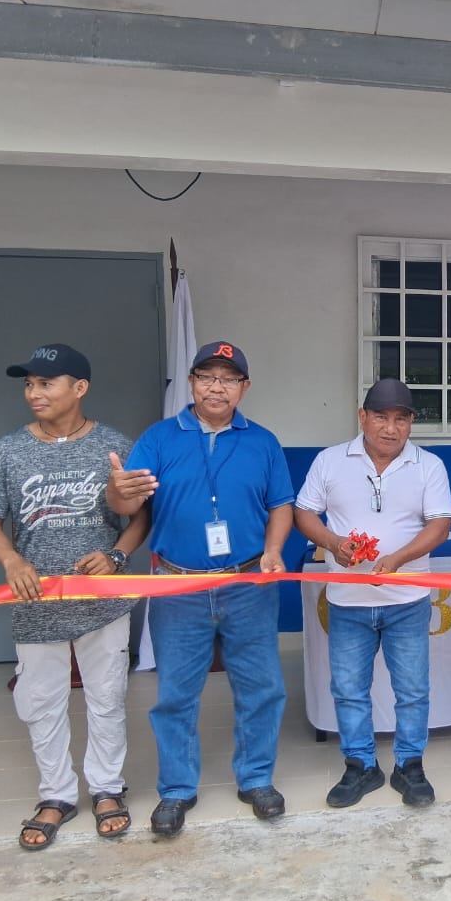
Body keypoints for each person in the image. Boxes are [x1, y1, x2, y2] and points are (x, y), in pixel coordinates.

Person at [106, 340, 295, 836]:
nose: (217, 387)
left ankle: (256, 778)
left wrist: (274, 549)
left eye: (228, 379)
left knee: (262, 688)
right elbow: (130, 505)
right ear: (191, 382)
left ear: (244, 388)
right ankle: (176, 789)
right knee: (175, 693)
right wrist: (117, 491)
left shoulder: (263, 442)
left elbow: (281, 504)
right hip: (178, 585)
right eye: (207, 376)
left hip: (249, 583)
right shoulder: (159, 438)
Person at [0, 343, 150, 851]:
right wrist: (12, 561)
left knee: (106, 696)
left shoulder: (114, 444)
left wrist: (116, 556)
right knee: (40, 700)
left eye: (46, 383)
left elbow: (141, 515)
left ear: (80, 388)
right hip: (36, 601)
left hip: (102, 599)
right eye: (29, 384)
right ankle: (56, 795)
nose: (34, 392)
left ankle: (108, 789)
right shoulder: (8, 451)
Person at [293, 378, 451, 810]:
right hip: (348, 601)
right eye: (381, 417)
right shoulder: (330, 461)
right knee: (349, 689)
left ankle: (410, 765)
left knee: (413, 689)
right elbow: (304, 512)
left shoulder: (428, 465)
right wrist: (332, 543)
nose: (390, 428)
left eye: (401, 419)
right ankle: (361, 765)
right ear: (362, 417)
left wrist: (400, 557)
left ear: (411, 423)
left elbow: (440, 524)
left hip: (408, 600)